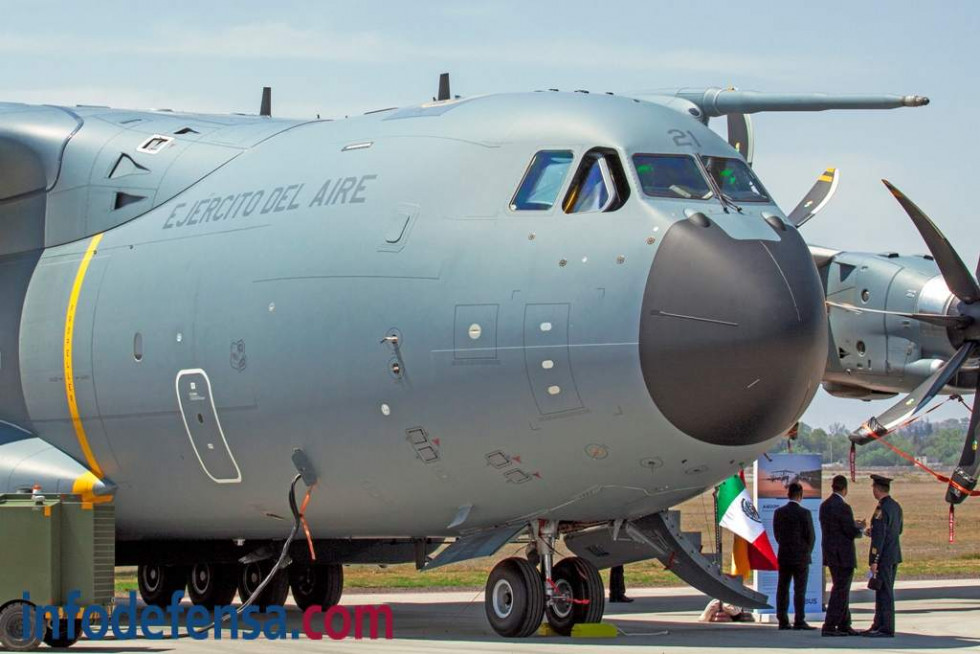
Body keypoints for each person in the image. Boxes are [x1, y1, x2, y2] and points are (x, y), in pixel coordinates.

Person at [819, 475, 865, 636]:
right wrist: (859, 529)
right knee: (840, 590)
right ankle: (830, 625)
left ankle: (845, 623)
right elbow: (848, 531)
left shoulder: (824, 506)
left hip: (831, 555)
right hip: (844, 555)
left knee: (841, 589)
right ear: (844, 489)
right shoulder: (844, 507)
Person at [863, 474, 903, 638]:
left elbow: (879, 537)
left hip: (884, 557)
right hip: (893, 554)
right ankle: (878, 624)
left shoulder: (881, 509)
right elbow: (897, 530)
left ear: (877, 489)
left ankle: (886, 627)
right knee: (883, 590)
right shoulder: (895, 506)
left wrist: (874, 560)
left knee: (884, 592)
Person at [773, 481, 815, 630]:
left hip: (784, 555)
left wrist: (785, 546)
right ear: (800, 496)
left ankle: (783, 620)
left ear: (788, 494)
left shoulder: (779, 512)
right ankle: (799, 620)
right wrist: (806, 552)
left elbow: (777, 534)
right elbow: (811, 536)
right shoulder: (805, 513)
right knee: (800, 590)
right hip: (801, 557)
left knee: (782, 588)